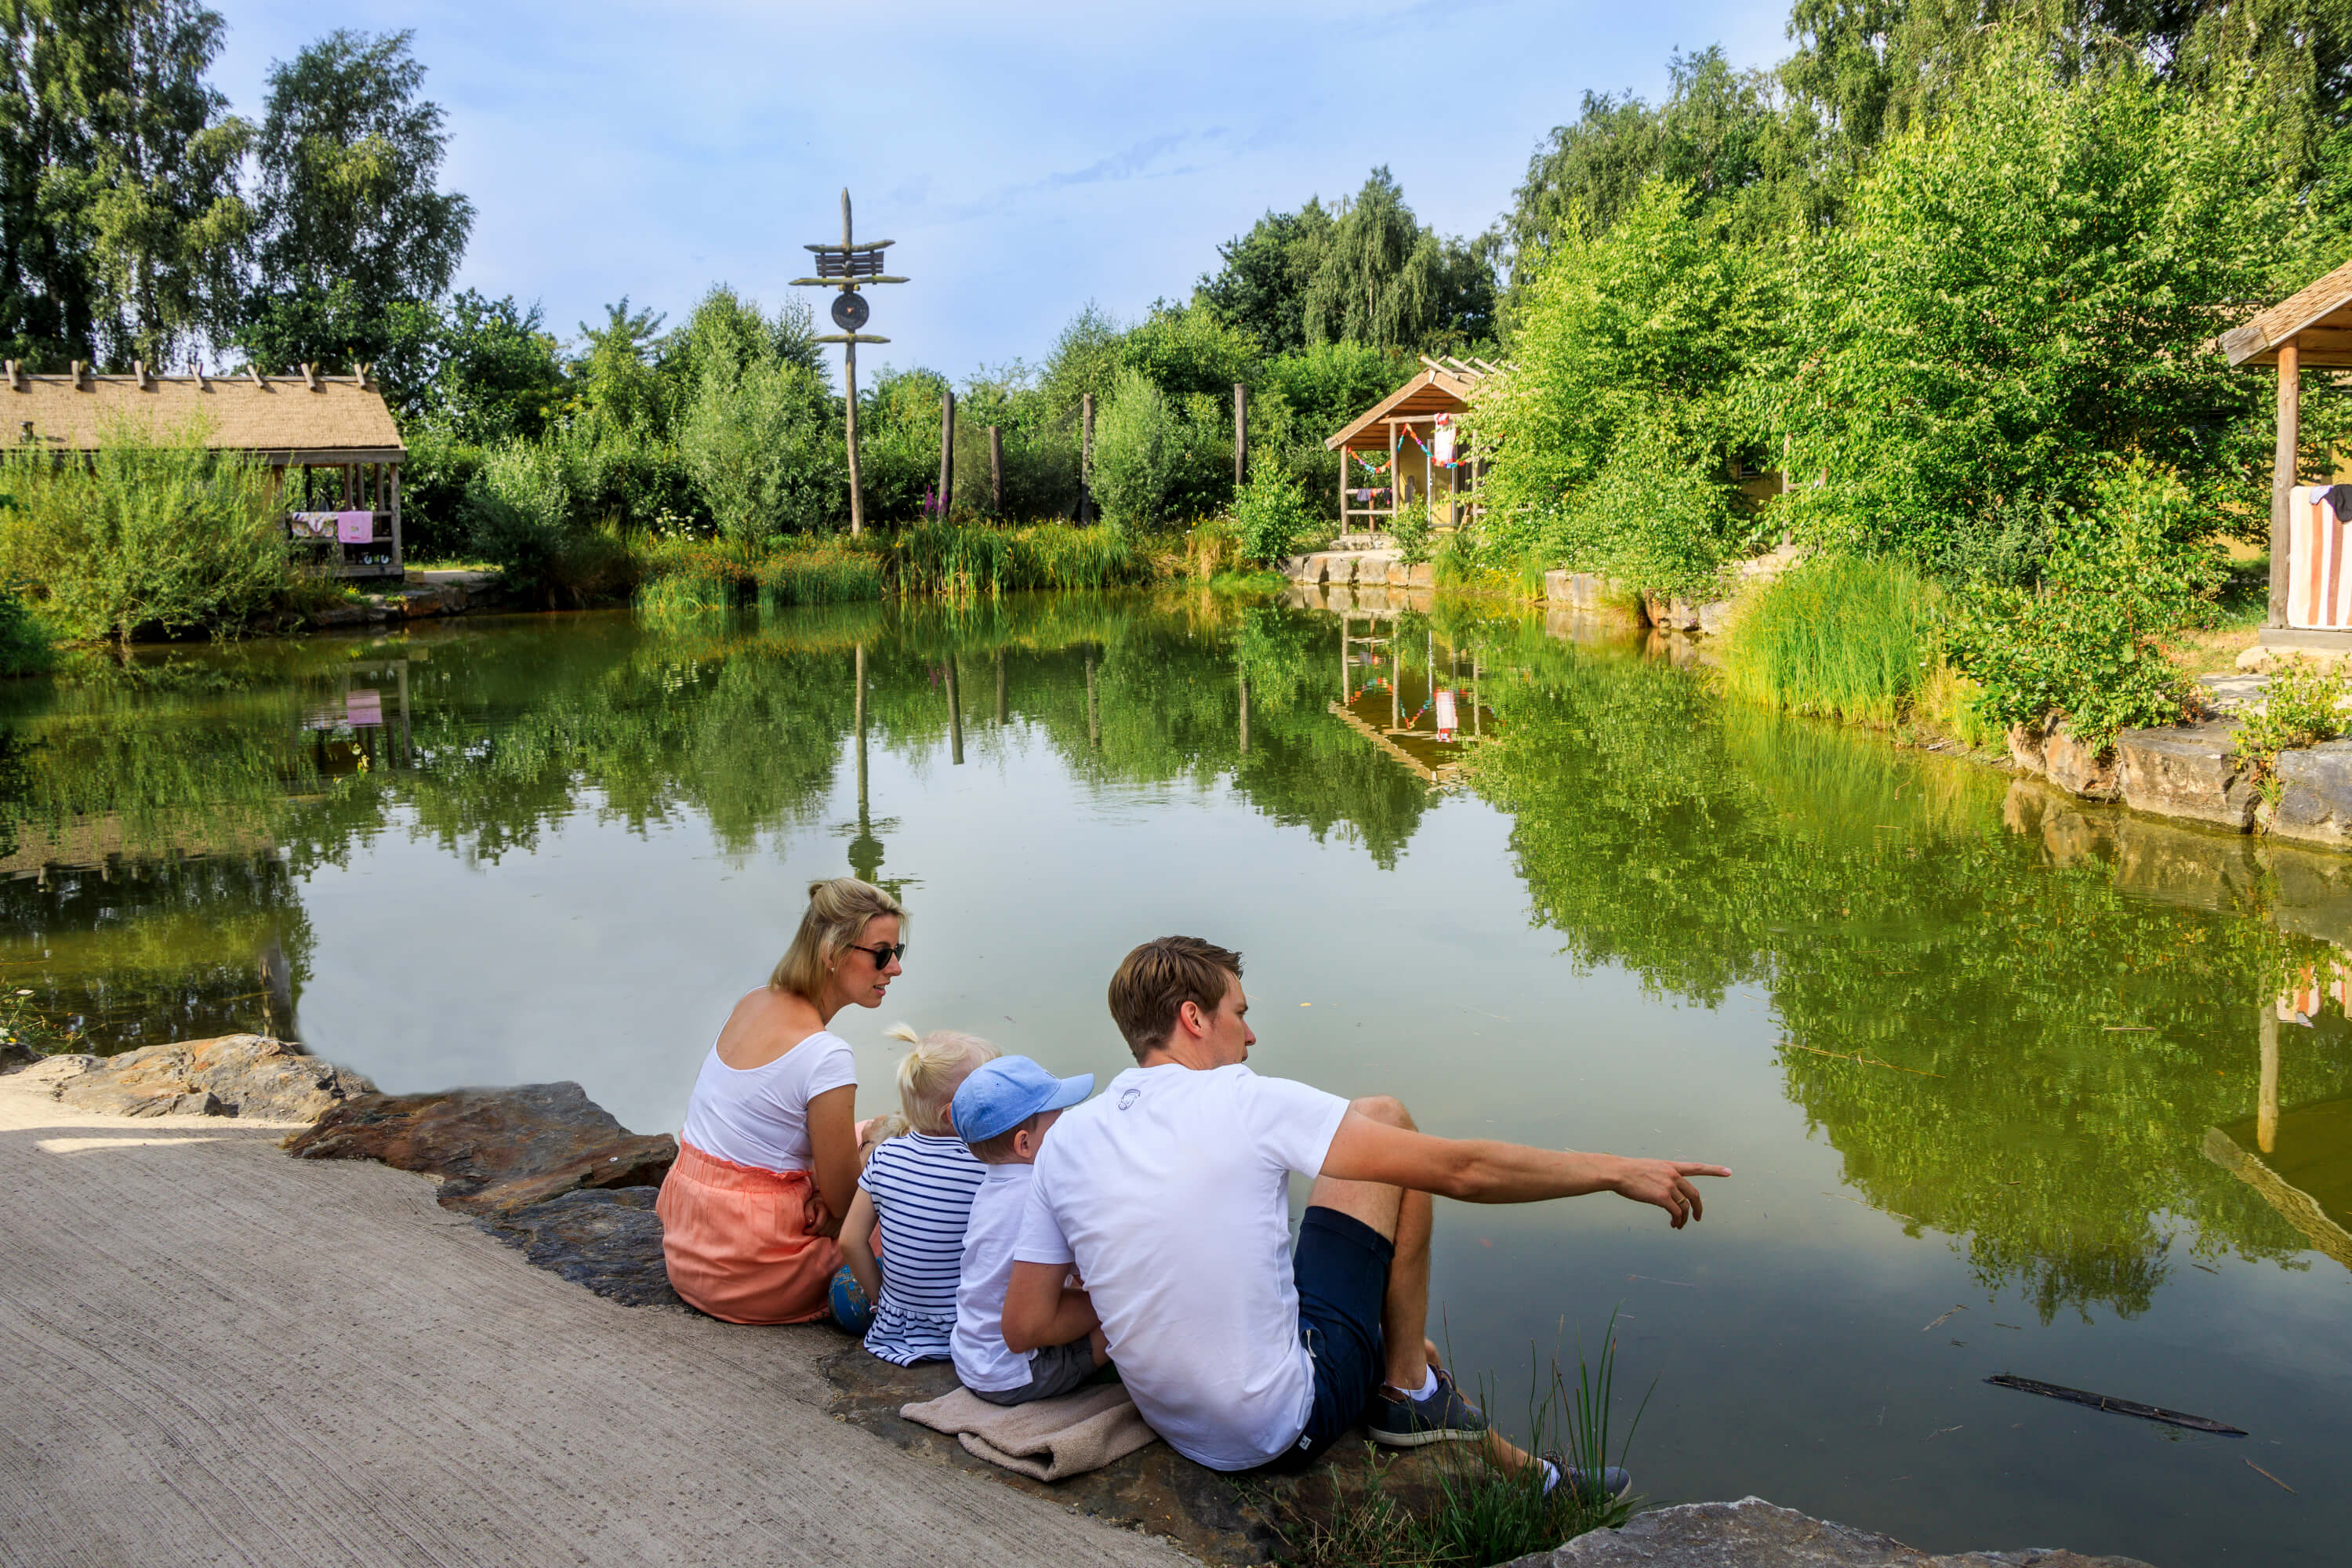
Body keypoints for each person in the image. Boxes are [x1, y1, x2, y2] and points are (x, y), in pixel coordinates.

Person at [1004, 936, 1729, 1490]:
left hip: (1170, 1418)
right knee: (1389, 1120)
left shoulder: (1066, 1139)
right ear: (1193, 1018)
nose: (1249, 1037)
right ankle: (1409, 1393)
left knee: (1357, 1155)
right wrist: (1616, 1171)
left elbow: (1027, 1323)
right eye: (1240, 1015)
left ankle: (1414, 1381)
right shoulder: (1244, 1098)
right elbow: (1462, 1171)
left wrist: (1140, 1286)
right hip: (1272, 1432)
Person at [657, 877, 906, 1324]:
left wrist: (844, 1176)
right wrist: (837, 1210)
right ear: (832, 953)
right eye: (882, 954)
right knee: (916, 1201)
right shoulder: (826, 1054)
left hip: (690, 1250)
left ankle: (866, 1142)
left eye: (897, 953)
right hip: (757, 1271)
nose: (895, 969)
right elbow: (851, 1203)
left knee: (869, 1127)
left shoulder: (755, 1001)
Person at [946, 1055, 1105, 1405]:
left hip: (971, 1355)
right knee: (1122, 1316)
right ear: (1024, 1144)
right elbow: (1096, 1271)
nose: (1065, 1125)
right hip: (1014, 1374)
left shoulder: (990, 1189)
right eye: (1057, 1121)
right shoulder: (1043, 1195)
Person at [837, 1027, 998, 1363]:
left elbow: (850, 1241)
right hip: (964, 1330)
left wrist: (883, 1301)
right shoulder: (983, 1167)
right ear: (952, 1113)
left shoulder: (885, 1156)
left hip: (894, 1330)